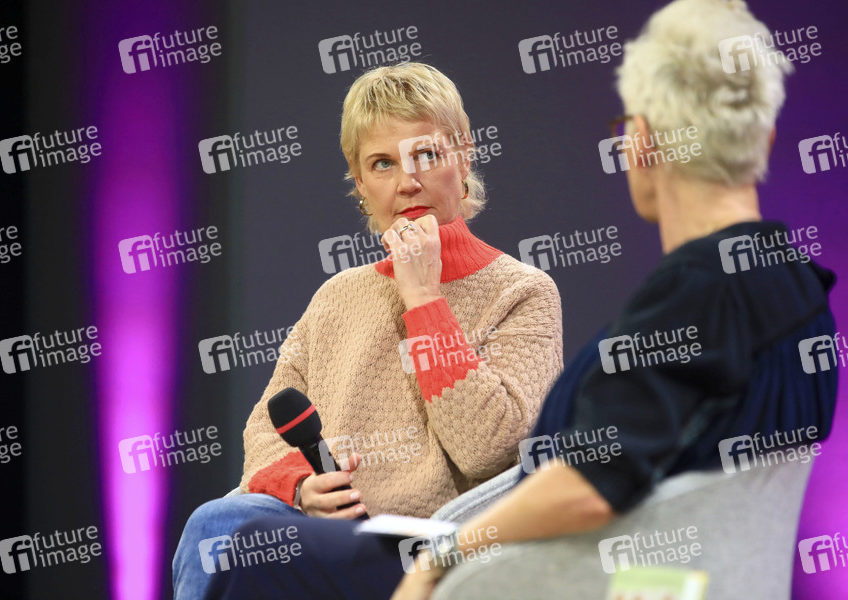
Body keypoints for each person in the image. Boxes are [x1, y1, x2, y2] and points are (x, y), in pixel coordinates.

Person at [202, 0, 839, 598]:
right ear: (765, 142)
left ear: (641, 143)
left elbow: (587, 482)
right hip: (653, 573)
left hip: (555, 574)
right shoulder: (796, 289)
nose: (408, 180)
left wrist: (441, 558)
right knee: (229, 526)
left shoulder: (698, 295)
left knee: (252, 551)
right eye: (382, 163)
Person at [171, 62, 564, 599]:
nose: (407, 183)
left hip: (436, 547)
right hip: (321, 535)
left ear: (465, 156)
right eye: (382, 164)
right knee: (216, 524)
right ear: (360, 183)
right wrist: (302, 487)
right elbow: (263, 434)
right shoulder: (337, 296)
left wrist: (424, 298)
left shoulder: (522, 292)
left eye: (426, 155)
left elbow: (489, 449)